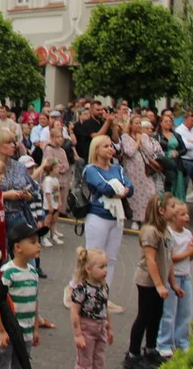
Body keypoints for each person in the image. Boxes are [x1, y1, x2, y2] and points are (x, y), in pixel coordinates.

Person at [123, 193, 181, 369]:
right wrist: (158, 285)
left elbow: (169, 260)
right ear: (161, 210)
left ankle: (151, 350)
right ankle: (132, 354)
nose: (176, 209)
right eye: (172, 207)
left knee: (156, 316)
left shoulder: (166, 231)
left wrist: (172, 284)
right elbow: (151, 260)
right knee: (144, 316)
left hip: (160, 282)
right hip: (148, 282)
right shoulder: (150, 231)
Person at [77, 135, 133, 315]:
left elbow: (129, 187)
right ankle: (79, 291)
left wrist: (120, 191)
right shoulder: (91, 169)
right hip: (98, 217)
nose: (110, 149)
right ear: (97, 150)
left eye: (111, 146)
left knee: (110, 259)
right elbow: (104, 188)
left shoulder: (118, 168)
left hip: (117, 217)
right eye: (106, 146)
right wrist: (119, 190)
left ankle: (103, 297)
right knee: (92, 257)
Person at [0, 220, 46, 369]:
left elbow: (35, 302)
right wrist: (2, 331)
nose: (38, 245)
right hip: (8, 332)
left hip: (26, 332)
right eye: (33, 242)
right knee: (1, 364)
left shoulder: (33, 273)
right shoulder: (8, 272)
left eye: (39, 241)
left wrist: (35, 328)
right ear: (18, 247)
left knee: (21, 364)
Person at [158, 200, 193, 358]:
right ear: (173, 217)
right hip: (172, 278)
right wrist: (189, 252)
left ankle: (182, 341)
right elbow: (170, 258)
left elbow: (191, 258)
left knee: (185, 311)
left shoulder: (188, 234)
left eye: (187, 214)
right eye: (183, 214)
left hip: (186, 276)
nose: (187, 217)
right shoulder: (169, 234)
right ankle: (164, 342)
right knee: (169, 312)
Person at [69, 247, 113, 369]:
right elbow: (74, 311)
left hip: (101, 327)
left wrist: (109, 327)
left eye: (106, 266)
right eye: (101, 267)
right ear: (88, 269)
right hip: (87, 327)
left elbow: (106, 307)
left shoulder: (104, 286)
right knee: (84, 362)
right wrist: (78, 334)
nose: (105, 271)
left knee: (99, 360)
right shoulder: (81, 289)